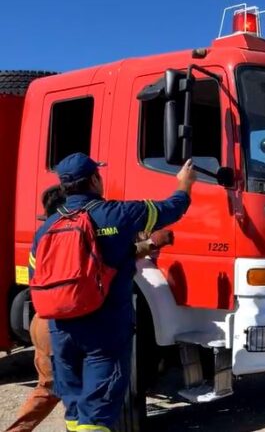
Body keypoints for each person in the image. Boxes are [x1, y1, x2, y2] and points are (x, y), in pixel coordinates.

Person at [28, 153, 195, 432]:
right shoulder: (119, 214)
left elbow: (37, 278)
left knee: (75, 408)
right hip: (103, 330)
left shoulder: (45, 228)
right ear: (95, 179)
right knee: (97, 413)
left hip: (60, 330)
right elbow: (172, 209)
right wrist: (184, 184)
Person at [8, 186, 174, 432]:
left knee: (54, 388)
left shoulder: (46, 236)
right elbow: (108, 260)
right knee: (77, 387)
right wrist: (149, 243)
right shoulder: (81, 231)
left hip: (44, 322)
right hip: (69, 323)